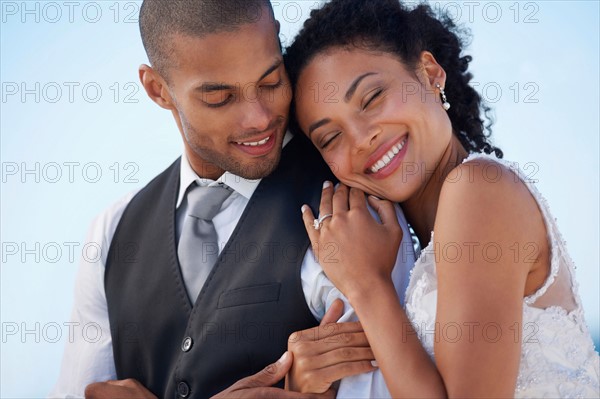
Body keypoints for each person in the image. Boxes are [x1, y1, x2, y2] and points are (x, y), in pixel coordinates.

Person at [50, 1, 418, 398]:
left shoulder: (349, 209)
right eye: (220, 98)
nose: (259, 118)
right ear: (158, 89)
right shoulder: (111, 233)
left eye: (271, 81)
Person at [284, 0, 600, 397]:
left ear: (430, 74)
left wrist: (367, 285)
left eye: (372, 98)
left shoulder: (479, 190)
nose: (362, 138)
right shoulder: (411, 248)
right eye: (330, 137)